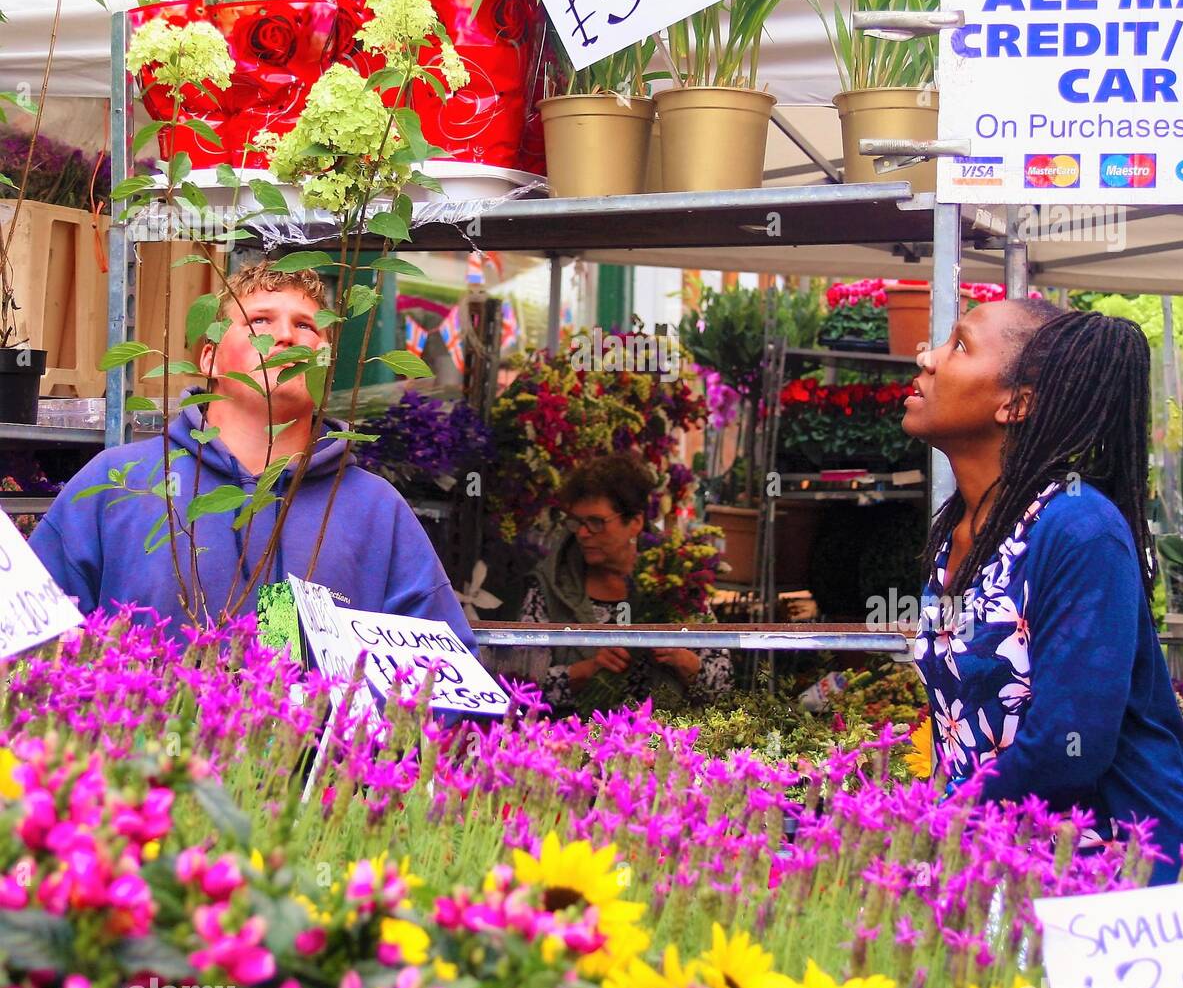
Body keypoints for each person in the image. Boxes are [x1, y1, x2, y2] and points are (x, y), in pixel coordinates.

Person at [902, 298, 1183, 884]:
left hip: (1121, 883)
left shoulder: (1078, 528)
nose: (925, 357)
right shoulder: (961, 530)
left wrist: (934, 820)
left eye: (959, 345)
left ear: (1017, 402)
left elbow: (1068, 745)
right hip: (1001, 862)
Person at [31, 263, 474, 651]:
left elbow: (441, 677)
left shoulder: (375, 509)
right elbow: (25, 643)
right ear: (209, 358)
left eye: (307, 327)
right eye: (260, 320)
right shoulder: (118, 480)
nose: (285, 336)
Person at [492, 453, 732, 715]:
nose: (583, 533)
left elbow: (724, 683)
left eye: (596, 522)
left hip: (666, 744)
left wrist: (687, 664)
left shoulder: (675, 583)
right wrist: (582, 673)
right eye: (577, 522)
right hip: (568, 745)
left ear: (635, 522)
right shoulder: (551, 587)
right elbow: (518, 685)